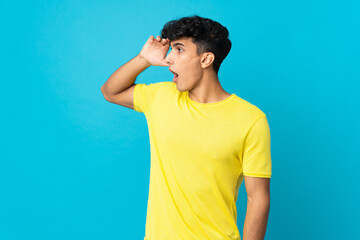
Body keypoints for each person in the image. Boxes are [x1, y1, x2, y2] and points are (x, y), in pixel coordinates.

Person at [101, 15, 272, 240]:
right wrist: (143, 58)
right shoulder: (161, 97)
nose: (169, 59)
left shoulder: (251, 119)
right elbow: (110, 91)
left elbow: (257, 198)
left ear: (205, 60)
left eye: (179, 49)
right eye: (170, 49)